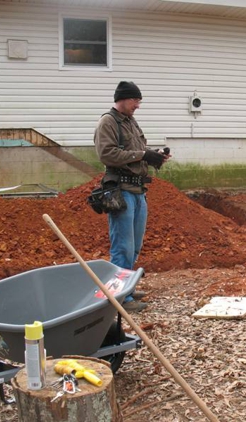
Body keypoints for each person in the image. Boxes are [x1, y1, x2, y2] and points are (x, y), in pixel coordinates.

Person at [94, 81, 170, 311]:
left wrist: (153, 156)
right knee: (122, 247)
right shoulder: (108, 121)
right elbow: (106, 154)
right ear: (123, 99)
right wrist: (142, 154)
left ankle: (126, 288)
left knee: (134, 246)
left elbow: (135, 152)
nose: (138, 105)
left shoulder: (130, 122)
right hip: (122, 191)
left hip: (138, 191)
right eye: (135, 100)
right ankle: (118, 299)